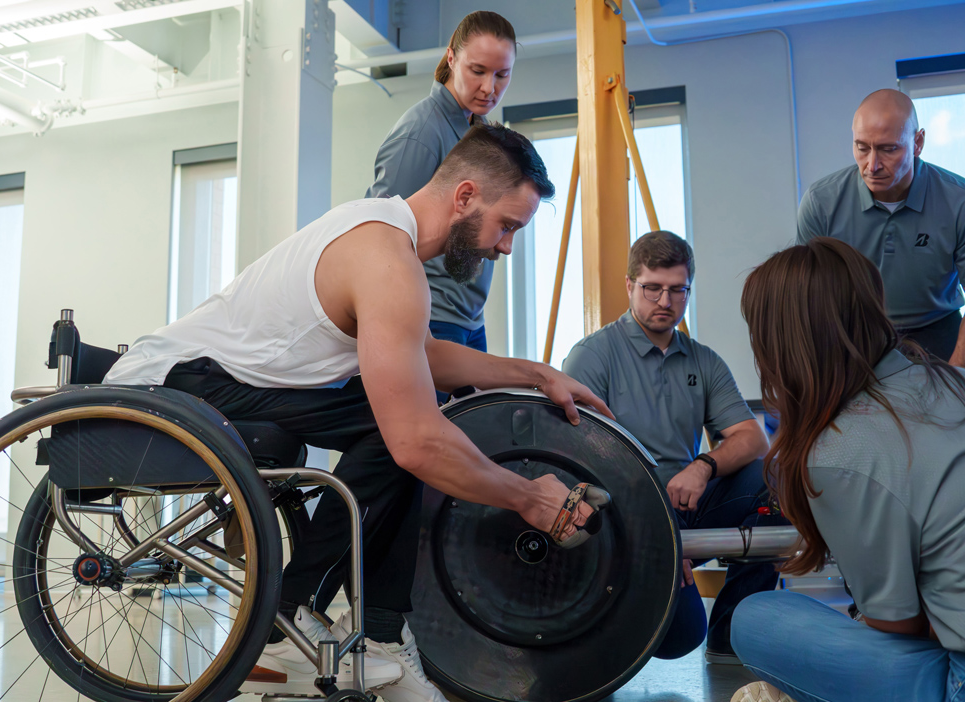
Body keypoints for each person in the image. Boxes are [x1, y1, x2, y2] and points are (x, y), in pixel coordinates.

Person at [104, 123, 612, 702]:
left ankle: (376, 635)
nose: (505, 246)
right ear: (466, 196)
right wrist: (530, 499)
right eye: (508, 226)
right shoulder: (386, 260)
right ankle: (285, 624)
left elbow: (419, 355)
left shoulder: (387, 238)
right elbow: (416, 442)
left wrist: (537, 374)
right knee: (402, 429)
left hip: (226, 379)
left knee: (410, 413)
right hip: (178, 382)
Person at [730, 237, 965, 702]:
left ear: (783, 343)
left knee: (757, 617)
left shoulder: (839, 448)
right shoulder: (951, 382)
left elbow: (899, 624)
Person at [562, 231, 780, 664]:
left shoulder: (704, 361)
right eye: (652, 288)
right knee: (678, 637)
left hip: (687, 503)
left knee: (774, 481)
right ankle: (597, 623)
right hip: (621, 514)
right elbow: (578, 463)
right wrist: (656, 532)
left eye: (677, 289)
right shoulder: (593, 356)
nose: (665, 300)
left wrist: (703, 465)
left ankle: (733, 633)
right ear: (630, 286)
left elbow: (752, 438)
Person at [367, 11, 516, 382]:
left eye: (502, 74)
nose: (489, 87)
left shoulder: (477, 129)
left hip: (469, 318)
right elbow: (378, 237)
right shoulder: (421, 133)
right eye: (477, 70)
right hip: (433, 320)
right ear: (451, 58)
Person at [797, 88, 965, 365]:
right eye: (862, 148)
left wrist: (956, 377)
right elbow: (807, 298)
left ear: (918, 142)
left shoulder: (958, 201)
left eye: (889, 149)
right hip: (855, 334)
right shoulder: (821, 203)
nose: (872, 165)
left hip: (936, 329)